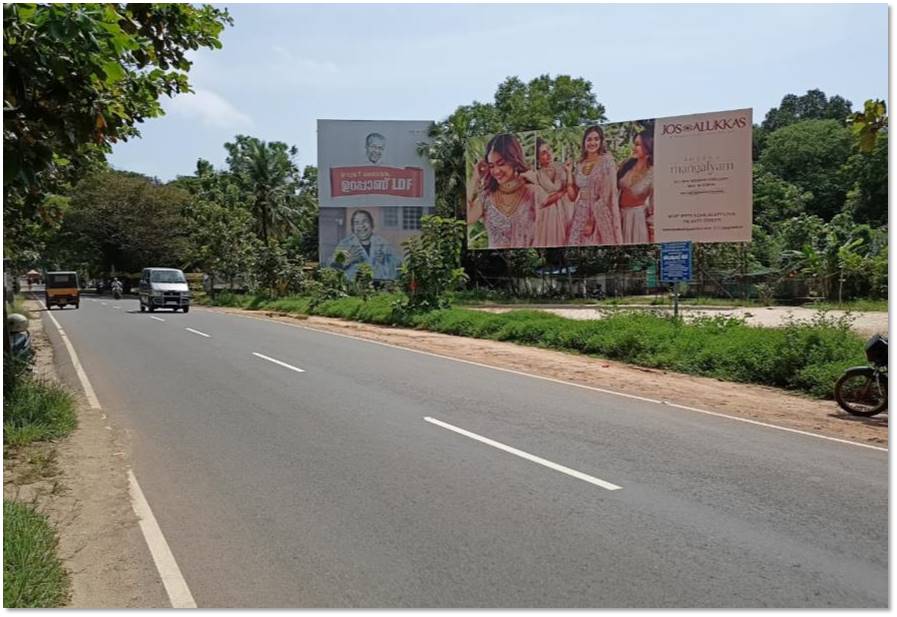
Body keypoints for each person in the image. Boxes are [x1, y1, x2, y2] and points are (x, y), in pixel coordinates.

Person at [467, 133, 547, 249]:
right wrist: (475, 178)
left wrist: (539, 182)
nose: (496, 171)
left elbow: (551, 221)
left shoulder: (532, 192)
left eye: (501, 164)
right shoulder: (487, 197)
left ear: (514, 159)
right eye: (491, 166)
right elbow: (467, 219)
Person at [563, 126, 622, 246]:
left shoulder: (607, 161)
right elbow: (573, 197)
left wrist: (591, 221)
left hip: (598, 213)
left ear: (601, 142)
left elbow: (607, 195)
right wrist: (569, 172)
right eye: (589, 139)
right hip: (580, 211)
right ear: (584, 141)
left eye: (596, 139)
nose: (592, 143)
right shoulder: (580, 164)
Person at [524, 138, 572, 248]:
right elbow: (540, 200)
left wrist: (568, 173)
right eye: (544, 153)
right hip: (547, 218)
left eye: (549, 150)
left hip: (565, 212)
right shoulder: (536, 175)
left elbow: (571, 192)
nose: (549, 154)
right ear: (538, 158)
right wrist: (561, 193)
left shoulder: (562, 169)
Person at [329, 209, 400, 280]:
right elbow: (331, 269)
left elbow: (398, 267)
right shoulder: (345, 244)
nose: (361, 225)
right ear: (353, 228)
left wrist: (385, 260)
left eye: (365, 221)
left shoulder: (383, 244)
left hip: (379, 287)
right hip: (352, 288)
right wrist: (346, 261)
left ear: (372, 225)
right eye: (356, 223)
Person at [616, 130, 655, 244]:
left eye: (638, 145)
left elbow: (654, 204)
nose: (634, 147)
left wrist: (652, 230)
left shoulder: (653, 173)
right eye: (635, 144)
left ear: (648, 147)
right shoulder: (627, 165)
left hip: (637, 220)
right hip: (619, 216)